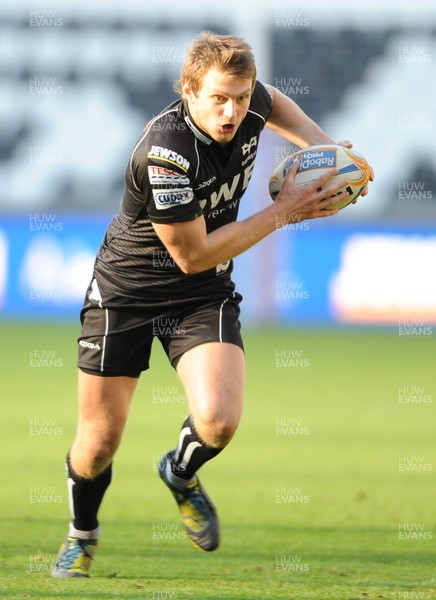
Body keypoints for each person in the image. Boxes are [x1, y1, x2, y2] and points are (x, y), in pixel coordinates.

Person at [51, 31, 372, 578]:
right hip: (128, 293)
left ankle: (179, 472)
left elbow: (278, 105)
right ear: (189, 90)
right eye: (218, 98)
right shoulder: (167, 153)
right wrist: (285, 212)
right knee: (100, 441)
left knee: (219, 421)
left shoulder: (250, 104)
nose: (232, 111)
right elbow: (192, 255)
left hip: (201, 295)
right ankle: (83, 533)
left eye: (241, 98)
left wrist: (330, 154)